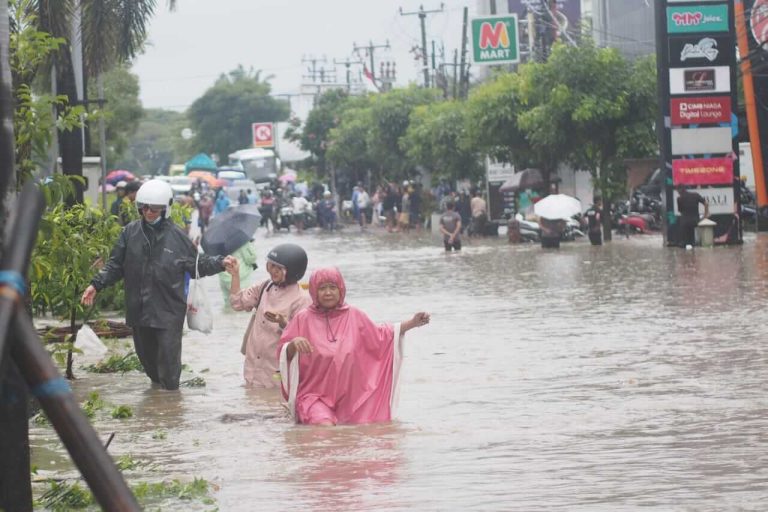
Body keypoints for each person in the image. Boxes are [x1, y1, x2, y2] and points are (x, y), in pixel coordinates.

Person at [81, 179, 236, 390]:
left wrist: (220, 262)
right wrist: (96, 285)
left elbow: (197, 265)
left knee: (169, 368)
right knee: (149, 364)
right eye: (144, 207)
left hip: (168, 312)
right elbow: (115, 265)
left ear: (166, 208)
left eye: (154, 208)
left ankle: (172, 404)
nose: (149, 212)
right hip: (138, 310)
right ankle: (158, 400)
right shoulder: (130, 233)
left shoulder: (178, 237)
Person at [277, 267, 430, 425]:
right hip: (313, 395)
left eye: (332, 287)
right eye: (322, 288)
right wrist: (293, 344)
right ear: (314, 291)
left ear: (341, 289)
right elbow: (283, 355)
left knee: (356, 434)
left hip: (350, 397)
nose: (328, 292)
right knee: (323, 427)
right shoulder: (302, 319)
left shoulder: (355, 315)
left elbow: (382, 335)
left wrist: (412, 323)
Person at [230, 244, 311, 388]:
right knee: (252, 401)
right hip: (252, 367)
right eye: (271, 266)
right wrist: (235, 275)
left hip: (277, 372)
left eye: (278, 268)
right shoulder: (265, 287)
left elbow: (303, 337)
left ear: (292, 271)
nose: (273, 271)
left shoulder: (302, 299)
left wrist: (284, 323)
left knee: (274, 405)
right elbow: (238, 303)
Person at [218, 240, 258, 312]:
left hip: (223, 275)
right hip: (240, 277)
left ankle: (227, 322)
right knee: (243, 304)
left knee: (229, 305)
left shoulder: (217, 241)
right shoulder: (242, 240)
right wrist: (251, 244)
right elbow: (251, 258)